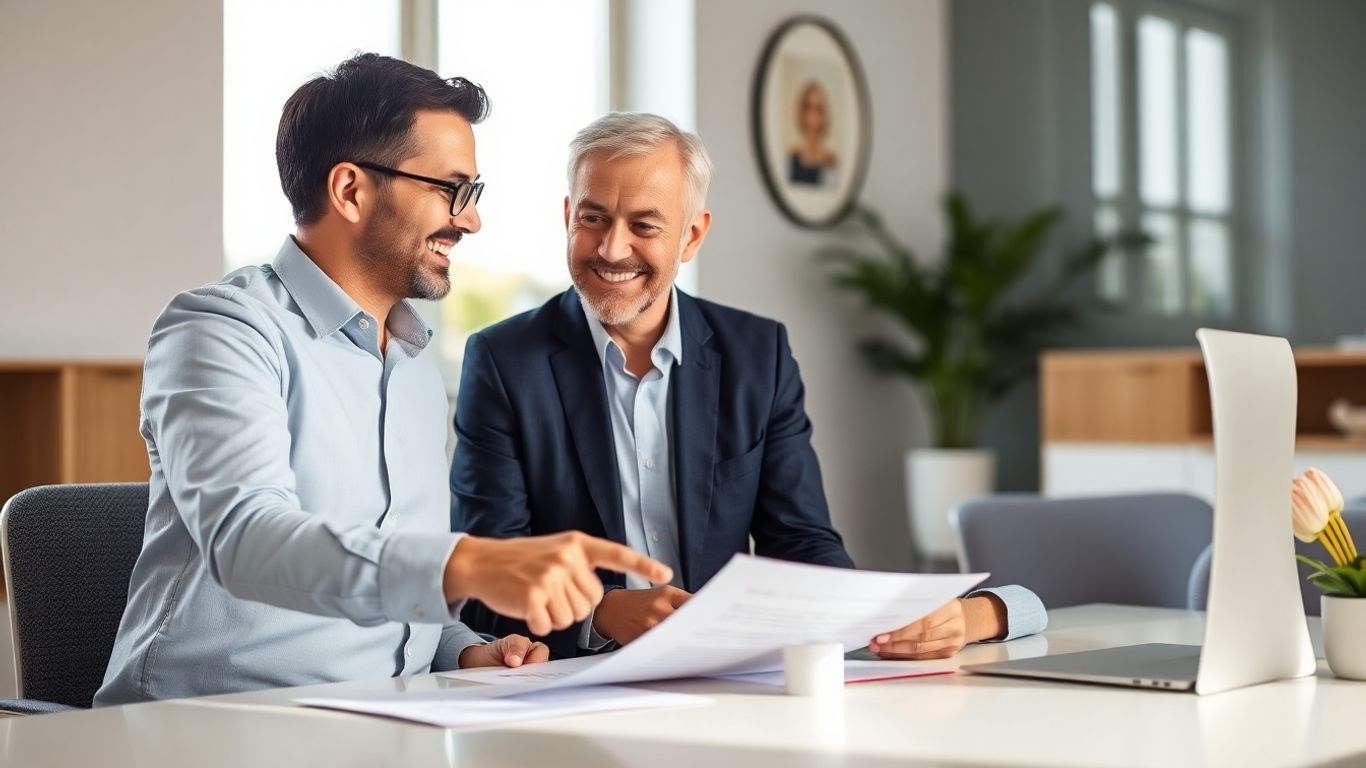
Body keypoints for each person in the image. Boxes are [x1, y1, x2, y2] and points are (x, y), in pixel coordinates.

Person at [95, 55, 669, 706]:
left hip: (380, 721)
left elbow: (399, 584)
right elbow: (248, 539)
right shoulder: (221, 329)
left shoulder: (416, 361)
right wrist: (468, 564)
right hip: (205, 728)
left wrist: (462, 648)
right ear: (350, 190)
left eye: (473, 194)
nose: (471, 219)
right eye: (452, 191)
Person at [450, 112, 1045, 661]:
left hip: (728, 683)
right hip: (571, 687)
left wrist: (984, 614)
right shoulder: (503, 362)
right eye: (593, 218)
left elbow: (804, 547)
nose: (612, 248)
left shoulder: (757, 355)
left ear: (692, 236)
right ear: (567, 217)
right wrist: (601, 612)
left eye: (644, 225)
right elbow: (480, 585)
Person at [787, 81, 838, 186]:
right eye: (809, 108)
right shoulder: (791, 158)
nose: (813, 116)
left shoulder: (831, 161)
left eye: (818, 110)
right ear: (802, 113)